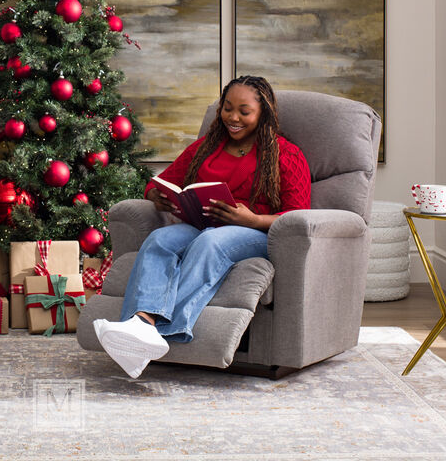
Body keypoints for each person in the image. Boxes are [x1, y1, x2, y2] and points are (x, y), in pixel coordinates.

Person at [93, 76, 311, 378]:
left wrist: (253, 220)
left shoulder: (286, 155)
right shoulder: (206, 147)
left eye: (244, 111)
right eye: (227, 108)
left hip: (257, 233)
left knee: (212, 243)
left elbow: (299, 217)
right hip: (203, 224)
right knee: (161, 239)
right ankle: (140, 325)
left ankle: (156, 332)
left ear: (263, 114)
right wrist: (157, 195)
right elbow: (162, 181)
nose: (233, 118)